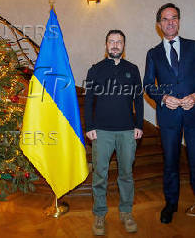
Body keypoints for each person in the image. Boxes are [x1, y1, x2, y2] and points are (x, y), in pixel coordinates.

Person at [143, 3, 195, 235]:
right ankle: (170, 205)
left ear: (179, 21)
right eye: (165, 19)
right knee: (170, 164)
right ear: (159, 25)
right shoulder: (153, 54)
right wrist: (163, 97)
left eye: (174, 18)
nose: (170, 22)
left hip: (194, 116)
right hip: (168, 118)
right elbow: (148, 84)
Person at [84, 29, 144, 235]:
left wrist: (139, 125)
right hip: (101, 132)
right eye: (111, 41)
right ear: (106, 45)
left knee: (126, 174)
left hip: (127, 131)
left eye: (119, 42)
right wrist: (89, 127)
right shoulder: (95, 70)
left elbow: (138, 99)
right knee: (100, 175)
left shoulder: (133, 69)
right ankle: (100, 214)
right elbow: (89, 100)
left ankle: (126, 212)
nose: (115, 45)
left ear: (124, 46)